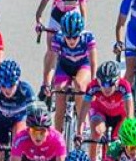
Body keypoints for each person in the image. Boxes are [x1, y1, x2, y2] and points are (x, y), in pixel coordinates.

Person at [42, 10, 98, 138]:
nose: (71, 40)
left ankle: (81, 128)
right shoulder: (58, 38)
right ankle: (57, 135)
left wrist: (94, 85)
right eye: (68, 37)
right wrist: (47, 83)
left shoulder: (88, 37)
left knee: (80, 87)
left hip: (82, 66)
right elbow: (52, 64)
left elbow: (94, 62)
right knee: (60, 92)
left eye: (74, 37)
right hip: (64, 67)